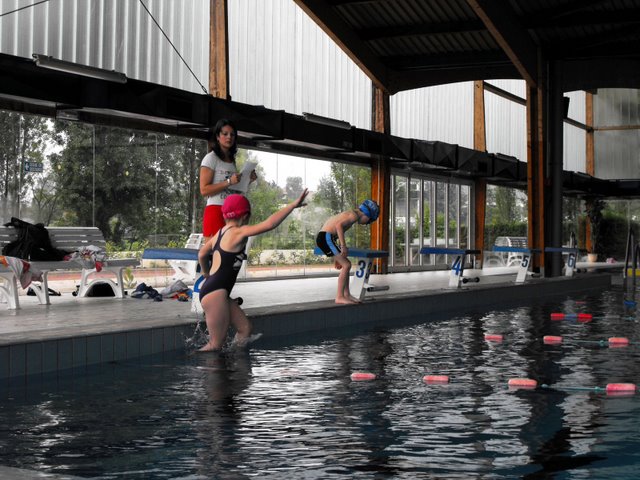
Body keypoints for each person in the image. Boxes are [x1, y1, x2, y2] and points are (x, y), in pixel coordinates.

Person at [197, 189, 309, 352]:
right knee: (215, 345)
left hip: (215, 291)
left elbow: (202, 253)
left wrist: (206, 273)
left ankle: (235, 358)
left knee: (245, 328)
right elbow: (270, 224)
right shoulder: (238, 232)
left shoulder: (220, 233)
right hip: (215, 293)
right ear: (245, 216)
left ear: (224, 215)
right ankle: (193, 364)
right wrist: (292, 205)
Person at [199, 119, 257, 242]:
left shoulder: (231, 161)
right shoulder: (210, 158)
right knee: (214, 250)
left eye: (232, 134)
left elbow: (234, 189)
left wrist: (248, 180)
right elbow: (204, 190)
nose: (229, 137)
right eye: (225, 134)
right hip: (215, 209)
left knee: (229, 250)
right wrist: (229, 182)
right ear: (217, 136)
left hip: (231, 212)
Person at [316, 199, 380, 305]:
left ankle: (346, 295)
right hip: (325, 237)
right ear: (367, 214)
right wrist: (343, 246)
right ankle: (339, 296)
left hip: (326, 237)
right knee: (347, 265)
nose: (366, 224)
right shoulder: (353, 216)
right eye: (369, 221)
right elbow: (338, 226)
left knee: (346, 264)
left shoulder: (351, 214)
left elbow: (336, 230)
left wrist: (337, 256)